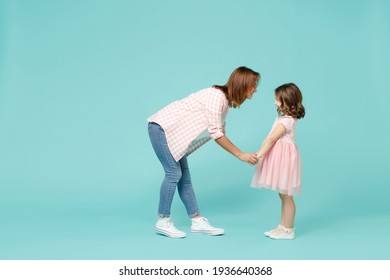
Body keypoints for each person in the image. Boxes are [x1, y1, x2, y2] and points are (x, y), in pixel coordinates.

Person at [148, 66, 260, 238]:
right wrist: (241, 155)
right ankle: (162, 220)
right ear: (243, 84)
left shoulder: (224, 104)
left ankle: (197, 220)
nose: (256, 89)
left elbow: (221, 132)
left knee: (184, 177)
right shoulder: (216, 97)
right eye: (254, 85)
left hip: (175, 136)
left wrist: (241, 154)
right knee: (173, 174)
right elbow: (217, 133)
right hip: (162, 128)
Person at [251, 83, 305, 240]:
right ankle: (283, 226)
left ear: (286, 100)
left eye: (277, 99)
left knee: (287, 196)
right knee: (283, 195)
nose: (275, 102)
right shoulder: (286, 118)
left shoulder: (286, 121)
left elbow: (272, 138)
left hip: (285, 159)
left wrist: (259, 155)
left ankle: (288, 230)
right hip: (283, 157)